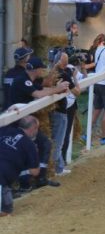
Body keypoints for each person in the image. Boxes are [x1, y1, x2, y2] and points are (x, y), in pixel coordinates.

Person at [7, 56, 70, 190]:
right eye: (42, 69)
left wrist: (56, 88)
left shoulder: (30, 79)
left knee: (45, 144)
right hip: (17, 123)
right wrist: (57, 89)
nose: (43, 71)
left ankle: (40, 178)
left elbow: (42, 90)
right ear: (36, 70)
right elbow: (39, 94)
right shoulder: (23, 80)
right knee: (30, 148)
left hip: (25, 121)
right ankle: (24, 184)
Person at [0, 116, 40, 216]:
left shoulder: (4, 129)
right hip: (2, 181)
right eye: (37, 128)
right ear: (33, 128)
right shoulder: (30, 145)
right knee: (6, 210)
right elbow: (35, 171)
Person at [49, 52, 80, 176]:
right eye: (65, 61)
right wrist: (75, 78)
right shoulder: (66, 75)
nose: (67, 63)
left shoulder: (51, 73)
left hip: (51, 109)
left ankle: (59, 167)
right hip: (60, 110)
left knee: (55, 140)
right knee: (58, 141)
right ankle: (54, 169)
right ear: (62, 62)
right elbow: (77, 92)